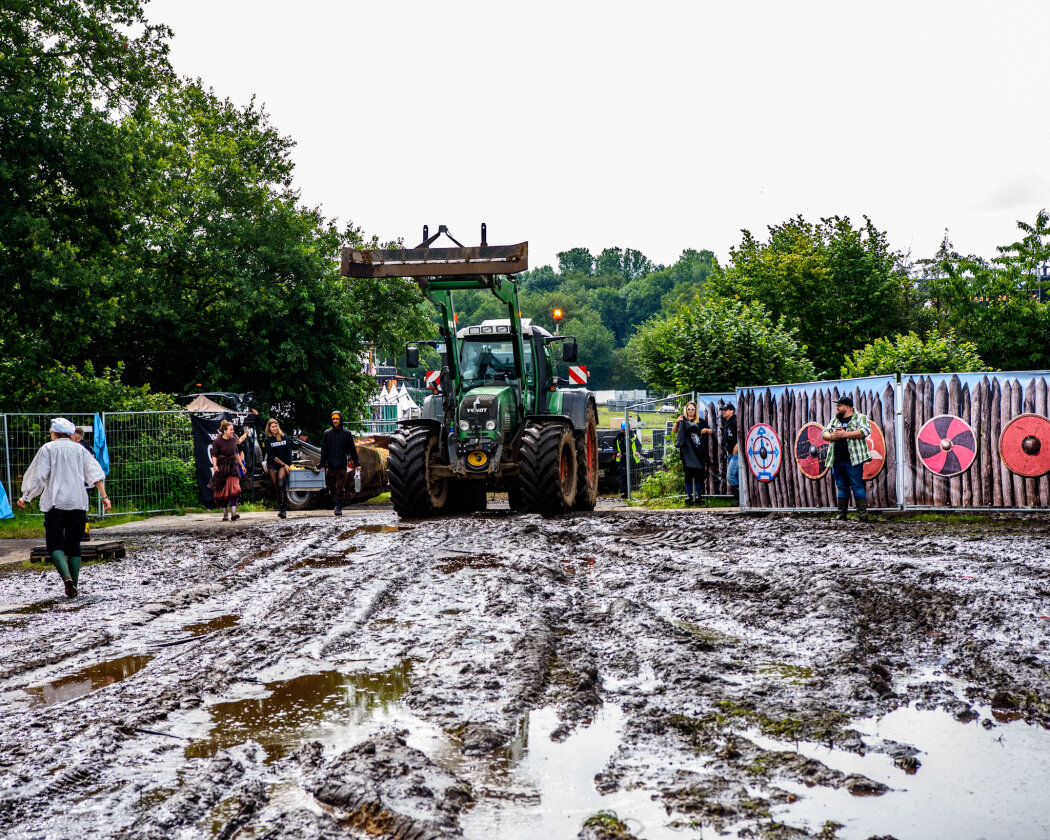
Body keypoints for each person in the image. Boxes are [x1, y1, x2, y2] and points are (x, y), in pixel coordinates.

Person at [17, 417, 112, 598]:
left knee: (55, 543)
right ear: (69, 434)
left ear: (53, 432)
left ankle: (66, 579)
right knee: (74, 543)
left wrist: (26, 496)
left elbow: (39, 476)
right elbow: (95, 473)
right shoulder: (80, 450)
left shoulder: (48, 449)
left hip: (55, 503)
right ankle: (74, 585)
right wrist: (104, 497)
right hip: (77, 503)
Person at [821, 395, 872, 522]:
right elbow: (824, 433)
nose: (837, 408)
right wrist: (832, 436)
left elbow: (865, 431)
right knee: (842, 487)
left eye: (839, 406)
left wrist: (845, 434)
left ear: (847, 407)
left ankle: (862, 515)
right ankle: (842, 514)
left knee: (857, 485)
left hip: (853, 459)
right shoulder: (835, 420)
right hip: (837, 459)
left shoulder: (860, 418)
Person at [319, 410, 360, 516]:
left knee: (339, 486)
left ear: (340, 420)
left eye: (337, 419)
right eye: (333, 419)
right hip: (331, 465)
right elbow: (324, 450)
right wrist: (322, 464)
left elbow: (352, 450)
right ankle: (335, 502)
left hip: (342, 464)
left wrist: (357, 464)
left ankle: (339, 507)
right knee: (332, 487)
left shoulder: (346, 434)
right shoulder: (327, 433)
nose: (335, 421)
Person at [672, 401, 713, 505]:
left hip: (698, 452)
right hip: (686, 453)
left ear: (695, 411)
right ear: (686, 410)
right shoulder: (682, 421)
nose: (690, 411)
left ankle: (699, 496)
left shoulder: (701, 421)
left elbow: (711, 431)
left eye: (692, 409)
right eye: (688, 409)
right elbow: (674, 431)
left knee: (699, 474)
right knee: (688, 475)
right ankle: (689, 496)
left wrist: (706, 430)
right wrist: (677, 422)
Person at [209, 420, 244, 521]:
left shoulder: (233, 440)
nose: (233, 431)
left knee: (235, 489)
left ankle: (233, 513)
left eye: (233, 429)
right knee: (223, 492)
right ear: (224, 430)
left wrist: (241, 465)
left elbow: (236, 453)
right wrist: (215, 465)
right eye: (231, 429)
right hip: (222, 467)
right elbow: (214, 455)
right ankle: (225, 514)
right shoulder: (217, 441)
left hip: (233, 467)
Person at [263, 418, 293, 519]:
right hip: (272, 463)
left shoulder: (284, 437)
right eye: (273, 427)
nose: (275, 428)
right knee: (275, 486)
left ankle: (283, 509)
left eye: (276, 426)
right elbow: (271, 455)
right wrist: (283, 464)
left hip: (283, 465)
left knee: (281, 484)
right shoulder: (267, 440)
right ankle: (280, 505)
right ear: (269, 428)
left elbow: (289, 452)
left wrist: (288, 465)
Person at [613, 422, 640, 500]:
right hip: (622, 459)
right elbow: (614, 447)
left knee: (630, 475)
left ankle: (629, 492)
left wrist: (637, 451)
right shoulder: (618, 437)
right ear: (621, 429)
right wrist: (617, 453)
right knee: (623, 475)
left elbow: (639, 446)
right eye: (624, 430)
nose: (625, 431)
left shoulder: (633, 437)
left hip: (631, 458)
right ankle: (623, 492)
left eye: (626, 430)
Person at [721, 403, 740, 504]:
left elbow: (741, 434)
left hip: (736, 454)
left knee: (730, 476)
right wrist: (728, 450)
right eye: (723, 410)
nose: (724, 411)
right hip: (730, 454)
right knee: (736, 477)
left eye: (726, 409)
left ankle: (738, 500)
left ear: (732, 411)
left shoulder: (735, 421)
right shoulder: (727, 422)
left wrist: (736, 447)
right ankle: (739, 501)